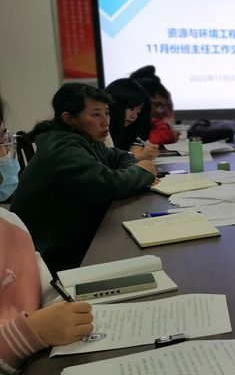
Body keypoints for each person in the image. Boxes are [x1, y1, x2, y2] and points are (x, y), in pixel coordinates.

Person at [0, 94, 93, 375]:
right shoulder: (64, 148)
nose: (5, 152)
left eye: (2, 138)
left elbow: (48, 294)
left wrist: (62, 313)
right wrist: (29, 334)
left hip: (41, 368)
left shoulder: (10, 224)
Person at [11, 84, 157, 273]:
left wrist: (136, 168)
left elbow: (119, 157)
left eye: (107, 113)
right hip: (54, 258)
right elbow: (109, 185)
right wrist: (143, 171)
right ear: (69, 118)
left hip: (75, 239)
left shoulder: (85, 140)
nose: (105, 122)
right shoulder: (63, 149)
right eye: (96, 115)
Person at [105, 78, 159, 161]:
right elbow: (105, 164)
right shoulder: (102, 131)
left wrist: (136, 146)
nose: (134, 116)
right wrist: (134, 157)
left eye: (138, 112)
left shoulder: (126, 130)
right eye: (131, 108)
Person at [131, 66, 180, 145]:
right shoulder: (129, 118)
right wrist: (170, 135)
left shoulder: (150, 119)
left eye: (161, 107)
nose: (157, 110)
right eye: (156, 104)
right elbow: (141, 140)